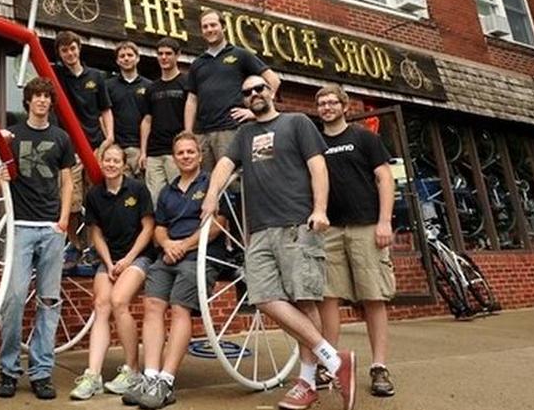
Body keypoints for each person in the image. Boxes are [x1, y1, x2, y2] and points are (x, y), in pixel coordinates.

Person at [202, 76, 356, 410]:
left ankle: (306, 382)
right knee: (261, 296)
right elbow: (225, 165)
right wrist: (212, 197)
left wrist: (319, 209)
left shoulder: (296, 123)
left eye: (259, 89)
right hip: (258, 230)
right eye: (247, 92)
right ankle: (334, 359)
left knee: (304, 301)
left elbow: (318, 167)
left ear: (271, 92)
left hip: (296, 224)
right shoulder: (244, 135)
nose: (254, 94)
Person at [123, 132, 226, 410]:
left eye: (190, 152)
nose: (185, 157)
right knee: (153, 305)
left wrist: (185, 245)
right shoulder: (167, 191)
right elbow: (159, 227)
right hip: (168, 257)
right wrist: (167, 243)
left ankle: (166, 382)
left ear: (200, 155)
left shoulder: (212, 185)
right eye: (180, 153)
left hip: (200, 257)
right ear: (174, 157)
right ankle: (151, 376)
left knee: (180, 308)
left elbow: (217, 224)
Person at [315, 84, 397, 397]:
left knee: (373, 297)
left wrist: (384, 221)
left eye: (332, 102)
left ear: (345, 106)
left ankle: (379, 367)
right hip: (330, 230)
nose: (326, 107)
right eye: (321, 103)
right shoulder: (315, 142)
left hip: (366, 226)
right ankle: (329, 363)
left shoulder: (364, 137)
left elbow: (384, 178)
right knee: (328, 298)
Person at [0, 77, 75, 401]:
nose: (42, 101)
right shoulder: (13, 134)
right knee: (14, 299)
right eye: (36, 96)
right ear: (28, 101)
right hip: (21, 227)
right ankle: (8, 370)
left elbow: (68, 181)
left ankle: (42, 372)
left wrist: (64, 221)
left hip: (51, 229)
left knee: (48, 301)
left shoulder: (61, 137)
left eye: (46, 96)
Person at [69, 144, 155, 400]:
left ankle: (133, 369)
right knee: (101, 304)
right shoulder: (95, 195)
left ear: (123, 165)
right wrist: (108, 263)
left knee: (119, 301)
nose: (111, 164)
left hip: (138, 256)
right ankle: (93, 375)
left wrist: (128, 260)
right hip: (109, 258)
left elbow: (148, 228)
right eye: (107, 160)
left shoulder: (138, 189)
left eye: (116, 160)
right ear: (101, 163)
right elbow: (95, 233)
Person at [184, 9, 280, 172]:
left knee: (234, 180)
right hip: (202, 135)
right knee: (208, 183)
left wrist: (254, 112)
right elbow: (192, 100)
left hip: (230, 129)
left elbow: (273, 80)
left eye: (213, 25)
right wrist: (188, 133)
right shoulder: (197, 64)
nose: (209, 30)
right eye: (205, 27)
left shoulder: (240, 55)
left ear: (223, 27)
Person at [53, 30, 113, 219]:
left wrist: (110, 136)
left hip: (94, 143)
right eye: (64, 51)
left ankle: (95, 243)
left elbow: (105, 109)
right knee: (71, 201)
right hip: (70, 147)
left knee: (97, 194)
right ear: (60, 54)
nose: (69, 54)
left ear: (79, 49)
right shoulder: (57, 75)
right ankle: (75, 245)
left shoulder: (95, 76)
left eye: (72, 48)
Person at [139, 37, 186, 203]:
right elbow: (147, 120)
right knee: (155, 199)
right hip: (154, 153)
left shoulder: (186, 83)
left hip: (178, 151)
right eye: (160, 54)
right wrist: (143, 152)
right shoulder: (151, 88)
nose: (164, 57)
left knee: (180, 196)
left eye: (168, 53)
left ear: (177, 55)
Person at [106, 41, 151, 177]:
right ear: (117, 61)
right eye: (122, 56)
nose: (126, 58)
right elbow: (103, 115)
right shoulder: (108, 86)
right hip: (118, 148)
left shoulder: (149, 86)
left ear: (137, 58)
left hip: (141, 149)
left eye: (130, 55)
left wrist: (144, 151)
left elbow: (149, 118)